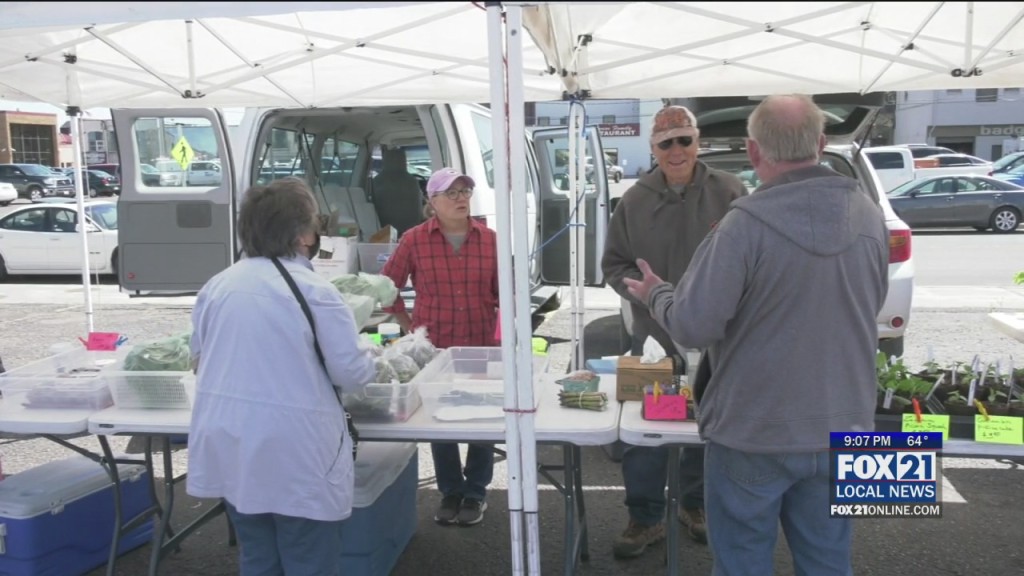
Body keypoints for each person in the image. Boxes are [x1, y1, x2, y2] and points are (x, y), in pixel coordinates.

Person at [624, 94, 889, 575]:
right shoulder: (869, 215)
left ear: (753, 152)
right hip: (846, 426)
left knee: (743, 562)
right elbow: (872, 304)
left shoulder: (742, 225)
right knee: (829, 561)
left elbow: (692, 324)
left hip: (755, 429)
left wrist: (656, 293)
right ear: (822, 143)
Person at [187, 177, 377, 576]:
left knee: (257, 555)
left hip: (231, 443)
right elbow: (353, 373)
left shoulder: (217, 286)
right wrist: (373, 356)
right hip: (296, 450)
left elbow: (198, 361)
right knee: (308, 556)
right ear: (305, 234)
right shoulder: (316, 291)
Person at [601, 105, 748, 558]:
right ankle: (644, 517)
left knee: (706, 426)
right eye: (667, 143)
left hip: (718, 340)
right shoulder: (635, 199)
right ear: (654, 149)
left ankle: (695, 506)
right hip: (654, 343)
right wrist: (645, 294)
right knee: (646, 432)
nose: (677, 150)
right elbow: (613, 265)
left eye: (684, 140)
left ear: (698, 141)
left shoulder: (731, 190)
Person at [380, 167, 499, 527]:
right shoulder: (414, 241)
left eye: (465, 191)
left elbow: (506, 293)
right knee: (440, 419)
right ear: (431, 202)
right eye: (452, 193)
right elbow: (386, 287)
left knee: (482, 418)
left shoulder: (491, 240)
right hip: (435, 349)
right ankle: (450, 490)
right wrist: (409, 327)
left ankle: (476, 491)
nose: (461, 198)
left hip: (479, 344)